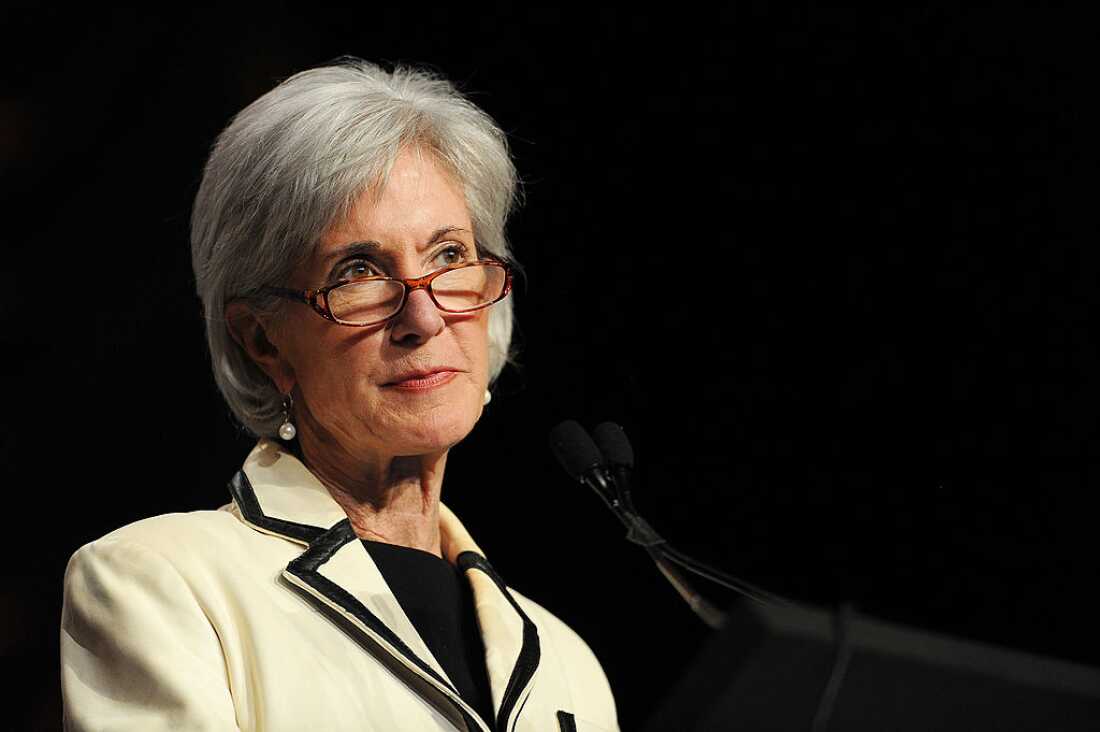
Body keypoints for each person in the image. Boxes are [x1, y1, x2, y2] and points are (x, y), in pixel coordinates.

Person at [60, 58, 619, 732]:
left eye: (448, 256)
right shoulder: (164, 587)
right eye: (359, 271)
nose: (424, 318)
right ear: (263, 341)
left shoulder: (568, 665)